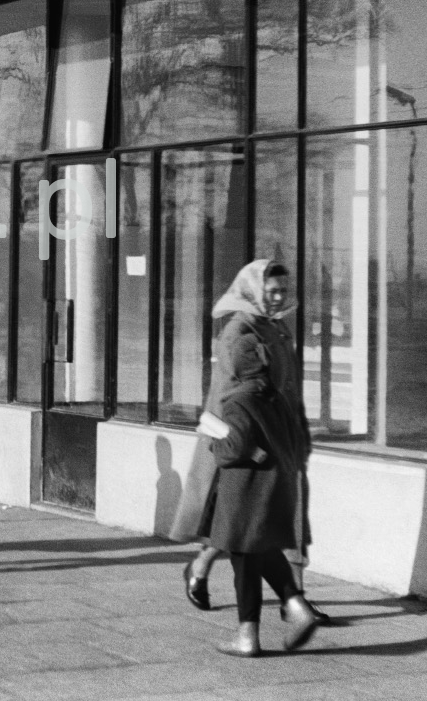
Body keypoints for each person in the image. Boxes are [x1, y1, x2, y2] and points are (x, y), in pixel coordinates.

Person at [174, 261, 326, 621]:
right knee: (242, 527)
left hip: (281, 440)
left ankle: (294, 601)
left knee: (277, 520)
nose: (278, 297)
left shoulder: (277, 329)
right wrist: (250, 449)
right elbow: (229, 402)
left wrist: (297, 436)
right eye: (271, 290)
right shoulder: (239, 333)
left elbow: (289, 392)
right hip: (246, 447)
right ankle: (202, 569)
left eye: (283, 291)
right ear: (253, 290)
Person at [199, 345, 324, 656]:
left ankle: (247, 636)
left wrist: (215, 444)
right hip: (275, 485)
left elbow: (236, 446)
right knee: (263, 552)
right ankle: (297, 606)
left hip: (245, 490)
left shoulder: (238, 400)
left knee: (243, 559)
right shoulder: (275, 396)